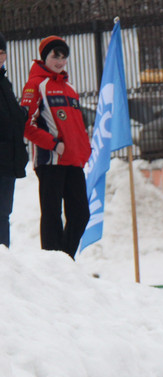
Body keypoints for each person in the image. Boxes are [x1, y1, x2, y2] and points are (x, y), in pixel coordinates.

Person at [20, 35, 91, 258]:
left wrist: (84, 150)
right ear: (44, 57)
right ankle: (53, 263)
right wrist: (53, 144)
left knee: (80, 214)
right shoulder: (35, 85)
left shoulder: (70, 88)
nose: (60, 62)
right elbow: (26, 124)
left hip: (73, 161)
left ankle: (64, 260)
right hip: (50, 161)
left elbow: (77, 126)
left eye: (64, 57)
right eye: (55, 56)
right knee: (52, 215)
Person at [1, 31, 29, 248]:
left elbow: (11, 118)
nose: (0, 57)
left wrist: (23, 114)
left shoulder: (4, 82)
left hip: (7, 159)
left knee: (3, 213)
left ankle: (4, 258)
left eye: (2, 52)